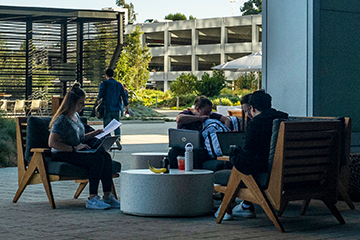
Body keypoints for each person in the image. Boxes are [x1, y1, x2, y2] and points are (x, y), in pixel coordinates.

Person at [214, 90, 288, 220]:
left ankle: (227, 208)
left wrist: (233, 153)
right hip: (292, 174)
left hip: (270, 176)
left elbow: (249, 157)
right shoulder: (284, 119)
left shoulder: (256, 123)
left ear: (252, 108)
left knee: (228, 167)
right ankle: (245, 206)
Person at [48, 82, 120, 210]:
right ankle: (92, 198)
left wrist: (94, 134)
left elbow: (79, 138)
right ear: (72, 103)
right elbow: (52, 143)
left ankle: (108, 195)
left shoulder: (75, 116)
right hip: (62, 153)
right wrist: (74, 149)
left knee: (105, 156)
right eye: (81, 103)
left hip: (75, 151)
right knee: (96, 159)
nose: (83, 106)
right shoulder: (62, 120)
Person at [168, 96, 232, 169]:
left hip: (200, 148)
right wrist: (200, 118)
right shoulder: (187, 114)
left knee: (199, 155)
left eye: (210, 112)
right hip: (183, 146)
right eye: (206, 112)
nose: (208, 115)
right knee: (173, 153)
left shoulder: (211, 115)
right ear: (198, 109)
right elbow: (179, 119)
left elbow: (227, 120)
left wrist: (226, 132)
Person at [97, 68, 129, 149]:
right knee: (116, 125)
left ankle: (108, 141)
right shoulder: (118, 84)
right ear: (113, 75)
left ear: (106, 75)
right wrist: (126, 108)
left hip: (106, 108)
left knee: (107, 127)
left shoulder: (104, 84)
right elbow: (124, 97)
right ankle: (117, 138)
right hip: (116, 108)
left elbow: (100, 96)